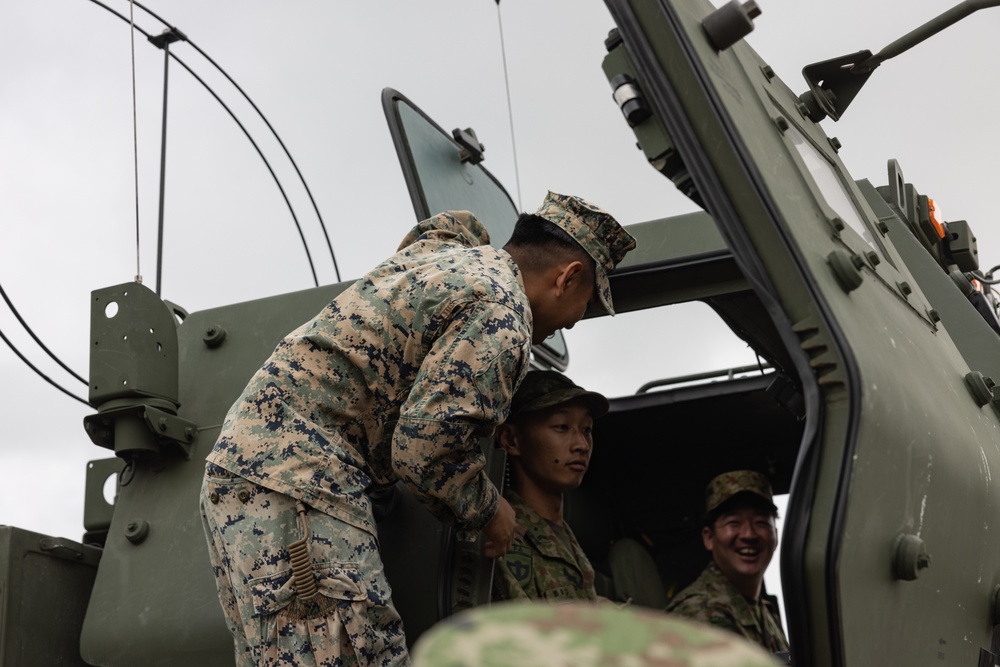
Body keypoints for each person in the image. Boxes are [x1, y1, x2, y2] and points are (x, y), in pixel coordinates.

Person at [199, 191, 636, 667]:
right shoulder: (502, 315)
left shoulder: (452, 256)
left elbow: (445, 227)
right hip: (305, 483)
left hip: (252, 471)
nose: (572, 322)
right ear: (568, 276)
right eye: (585, 302)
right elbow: (426, 450)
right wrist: (492, 511)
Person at [491, 369, 608, 602]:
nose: (582, 445)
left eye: (587, 430)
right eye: (562, 427)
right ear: (511, 440)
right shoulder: (503, 538)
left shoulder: (565, 537)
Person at [667, 470, 789, 654]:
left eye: (761, 522)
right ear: (709, 538)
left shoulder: (763, 612)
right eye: (734, 522)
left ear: (775, 536)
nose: (749, 534)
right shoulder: (698, 614)